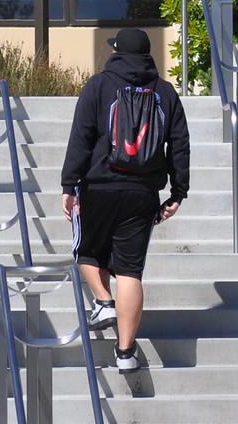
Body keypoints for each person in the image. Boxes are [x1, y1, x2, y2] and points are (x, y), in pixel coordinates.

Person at [60, 26, 190, 375]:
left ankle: (104, 302)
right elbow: (178, 144)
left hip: (99, 186)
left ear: (117, 52)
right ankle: (126, 352)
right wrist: (178, 192)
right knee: (130, 271)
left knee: (85, 251)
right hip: (143, 193)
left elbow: (81, 137)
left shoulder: (99, 85)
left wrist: (69, 184)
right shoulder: (164, 92)